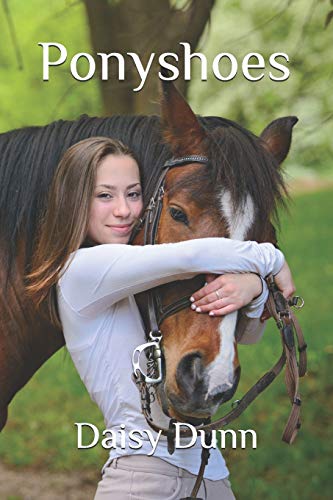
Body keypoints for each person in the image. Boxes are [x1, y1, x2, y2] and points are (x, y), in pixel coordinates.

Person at [26, 137, 295, 500]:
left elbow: (248, 335)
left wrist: (251, 289)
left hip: (213, 475)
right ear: (74, 202)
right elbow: (189, 255)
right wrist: (269, 259)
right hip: (141, 479)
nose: (123, 210)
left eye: (133, 194)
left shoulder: (146, 282)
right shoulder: (79, 271)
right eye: (104, 196)